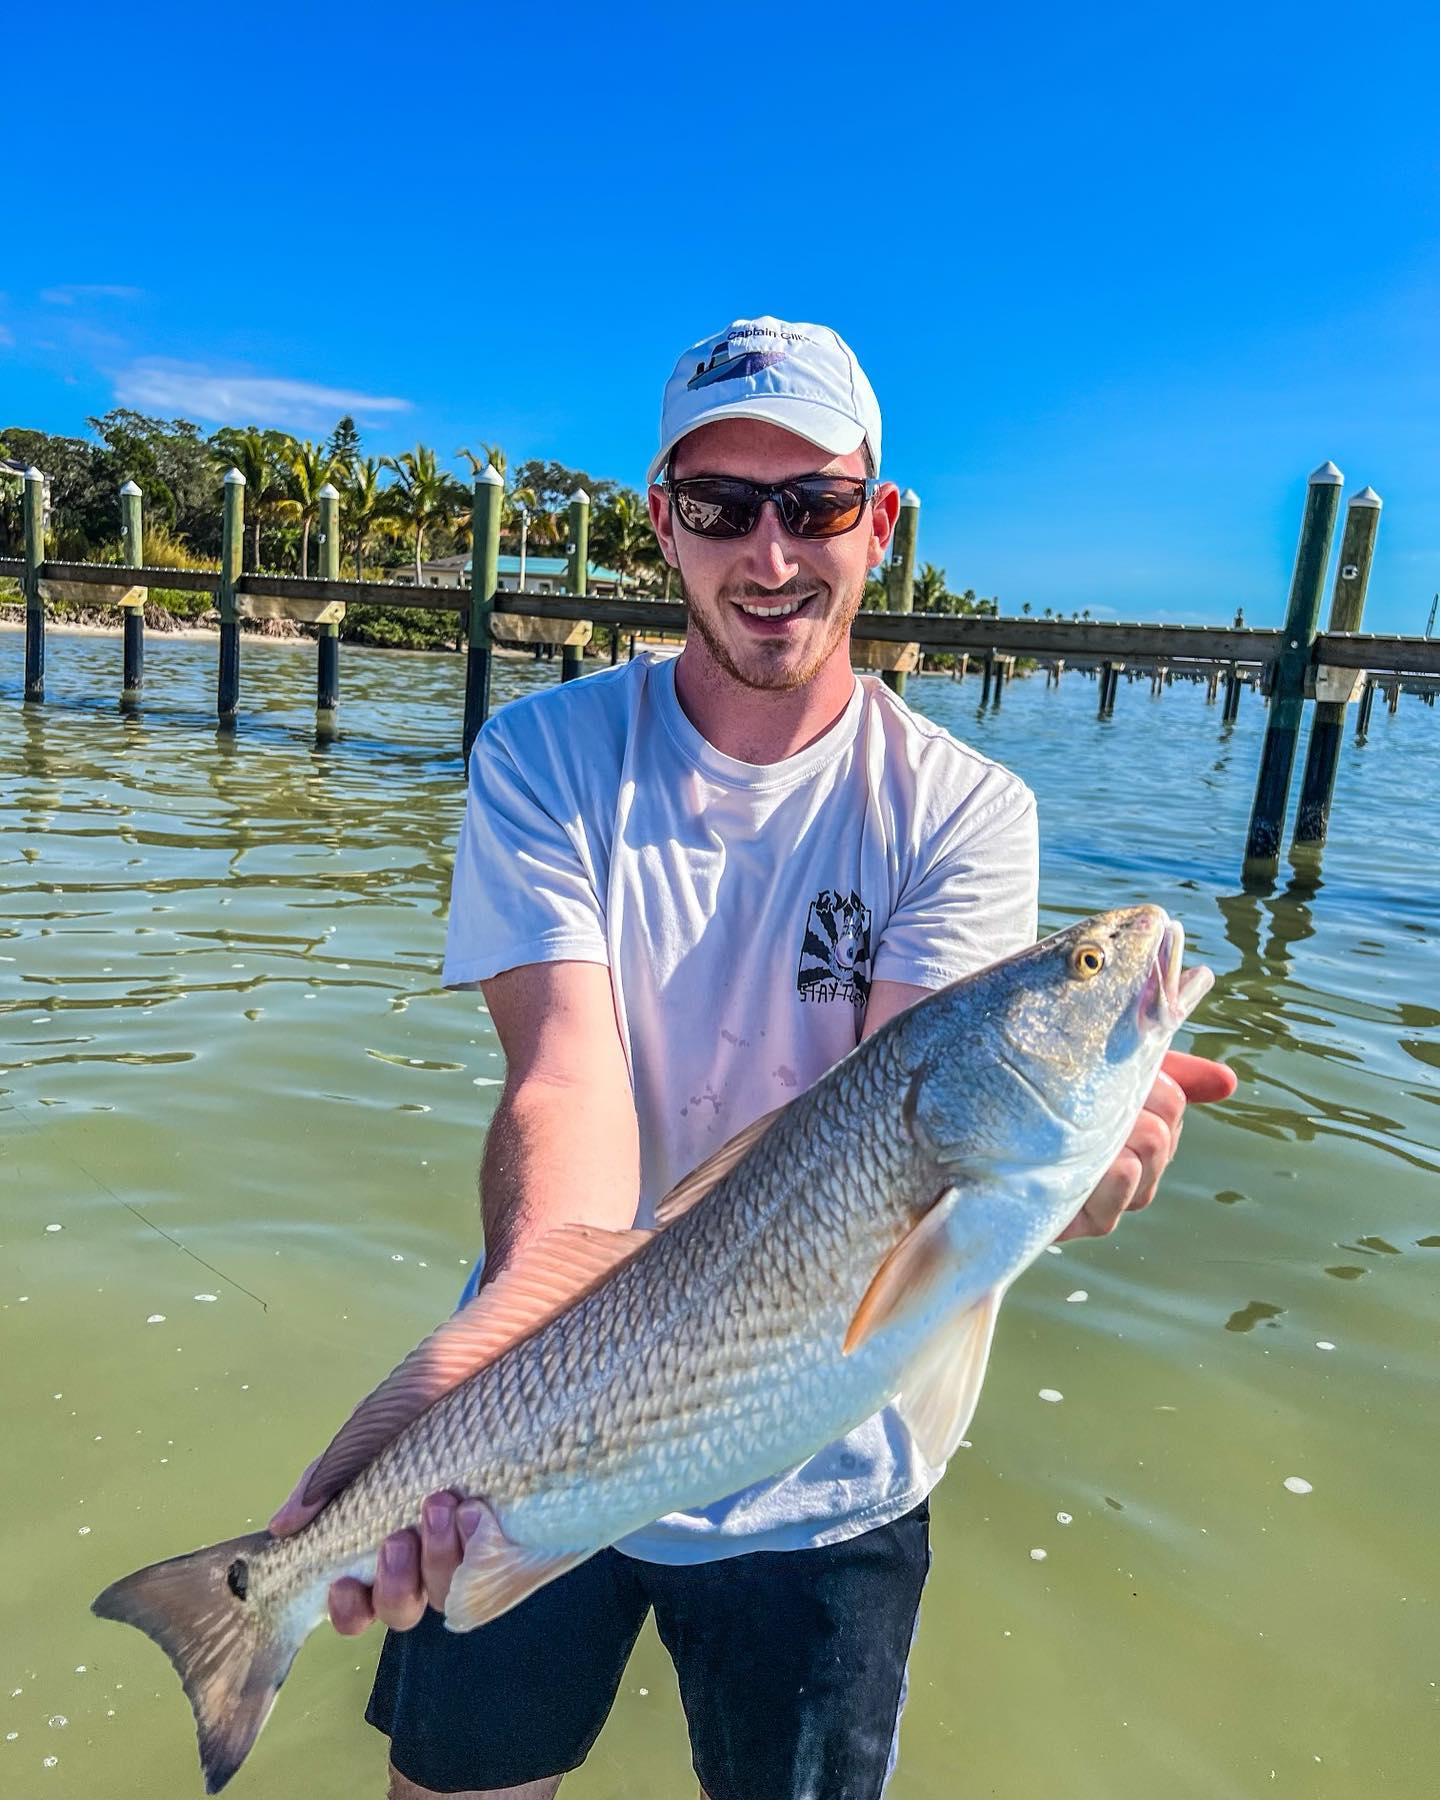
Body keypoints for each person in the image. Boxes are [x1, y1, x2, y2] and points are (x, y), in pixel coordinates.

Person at [272, 317, 1236, 1800]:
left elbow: (914, 1137)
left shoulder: (966, 812)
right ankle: (253, 1607)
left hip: (834, 1481)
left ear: (881, 520)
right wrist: (495, 1383)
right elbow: (564, 1082)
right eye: (722, 506)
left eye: (817, 504)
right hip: (540, 1402)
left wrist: (1078, 1180)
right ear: (663, 520)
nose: (770, 553)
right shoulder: (543, 757)